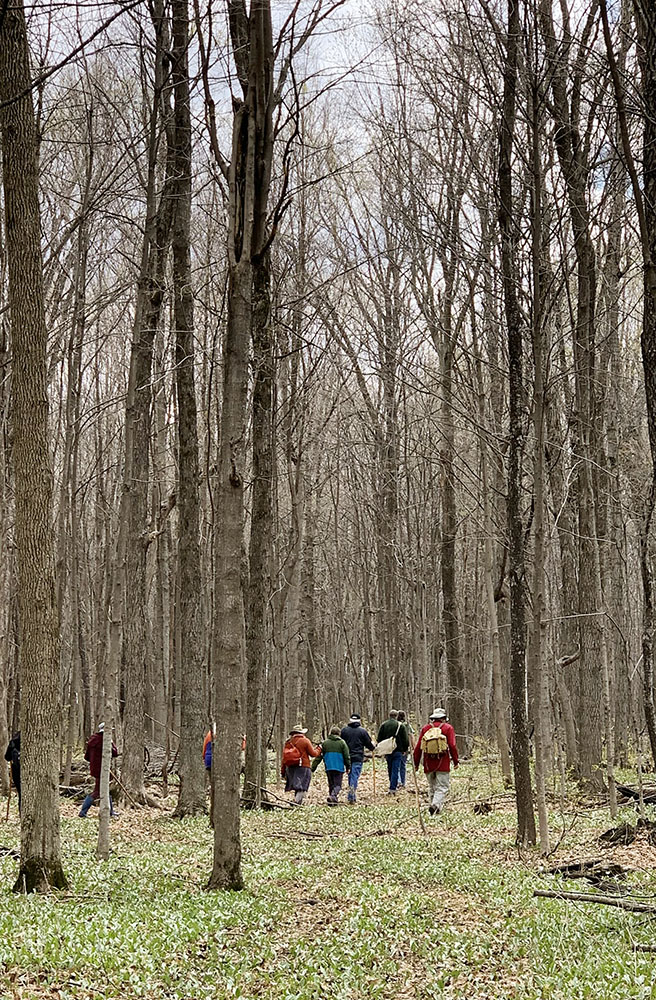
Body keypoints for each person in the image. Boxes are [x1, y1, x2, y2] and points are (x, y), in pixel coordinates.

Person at [413, 707, 459, 815]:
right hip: (443, 762)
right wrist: (456, 761)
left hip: (428, 763)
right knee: (442, 787)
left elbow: (418, 747)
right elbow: (452, 745)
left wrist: (416, 764)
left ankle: (434, 810)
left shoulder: (426, 729)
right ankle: (435, 805)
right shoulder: (448, 728)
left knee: (432, 787)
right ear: (443, 718)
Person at [79, 723, 118, 818]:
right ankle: (83, 812)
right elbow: (115, 752)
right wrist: (112, 743)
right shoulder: (105, 740)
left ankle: (111, 811)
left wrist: (94, 761)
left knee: (104, 790)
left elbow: (86, 757)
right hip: (103, 770)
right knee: (97, 792)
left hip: (95, 769)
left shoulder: (93, 739)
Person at [340, 714, 375, 804]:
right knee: (354, 776)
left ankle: (352, 795)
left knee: (351, 775)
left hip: (347, 757)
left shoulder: (344, 731)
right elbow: (368, 744)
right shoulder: (362, 731)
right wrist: (373, 748)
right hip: (358, 757)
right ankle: (351, 796)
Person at [281, 726, 321, 805]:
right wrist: (319, 748)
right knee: (302, 787)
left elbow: (284, 757)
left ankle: (297, 801)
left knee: (297, 786)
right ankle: (296, 803)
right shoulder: (305, 741)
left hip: (290, 767)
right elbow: (313, 754)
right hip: (303, 766)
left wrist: (283, 771)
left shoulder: (288, 742)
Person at [312, 726, 351, 805]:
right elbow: (346, 756)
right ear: (339, 734)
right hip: (339, 767)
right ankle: (333, 796)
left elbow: (319, 757)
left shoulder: (325, 743)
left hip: (328, 766)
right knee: (338, 785)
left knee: (331, 784)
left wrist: (313, 767)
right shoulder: (342, 743)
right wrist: (348, 766)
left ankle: (333, 801)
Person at [377, 709, 409, 795]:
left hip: (387, 750)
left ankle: (392, 784)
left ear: (389, 715)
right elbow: (405, 739)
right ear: (396, 716)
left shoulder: (384, 725)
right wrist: (405, 749)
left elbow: (379, 738)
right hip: (398, 750)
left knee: (390, 768)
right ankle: (393, 788)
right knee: (396, 768)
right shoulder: (400, 725)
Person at [396, 711, 413, 790]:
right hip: (405, 747)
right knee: (403, 765)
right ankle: (402, 782)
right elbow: (411, 736)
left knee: (397, 766)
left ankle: (399, 781)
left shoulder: (395, 725)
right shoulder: (407, 725)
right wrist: (413, 747)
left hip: (396, 747)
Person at [4, 732, 21, 812]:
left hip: (16, 772)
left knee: (22, 795)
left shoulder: (14, 740)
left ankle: (22, 815)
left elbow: (7, 757)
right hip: (29, 773)